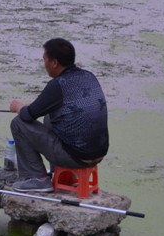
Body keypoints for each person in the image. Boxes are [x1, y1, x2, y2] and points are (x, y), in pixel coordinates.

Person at [7, 38, 108, 193]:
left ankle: (38, 179)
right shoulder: (88, 76)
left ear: (54, 63)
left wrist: (18, 107)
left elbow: (27, 116)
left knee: (18, 123)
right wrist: (32, 107)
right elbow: (44, 107)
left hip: (75, 157)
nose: (44, 64)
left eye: (45, 59)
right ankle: (64, 177)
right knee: (50, 117)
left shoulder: (58, 85)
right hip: (98, 154)